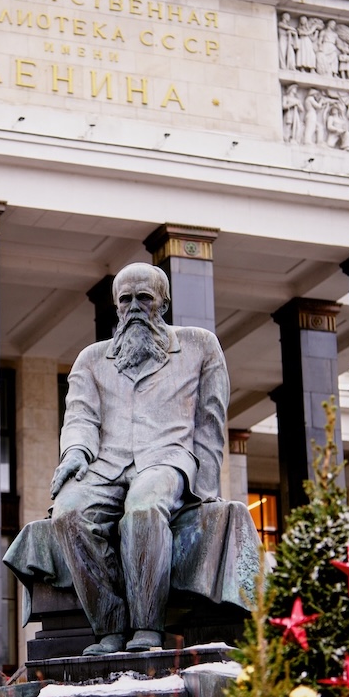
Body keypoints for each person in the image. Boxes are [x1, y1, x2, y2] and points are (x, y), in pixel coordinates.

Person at [49, 263, 229, 655]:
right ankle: (109, 626)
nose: (134, 307)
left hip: (167, 458)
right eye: (125, 299)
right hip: (106, 464)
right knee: (67, 512)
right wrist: (75, 452)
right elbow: (80, 417)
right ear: (116, 305)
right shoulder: (91, 359)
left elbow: (210, 420)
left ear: (163, 302)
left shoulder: (199, 345)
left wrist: (205, 489)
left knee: (144, 507)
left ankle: (147, 626)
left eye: (144, 298)